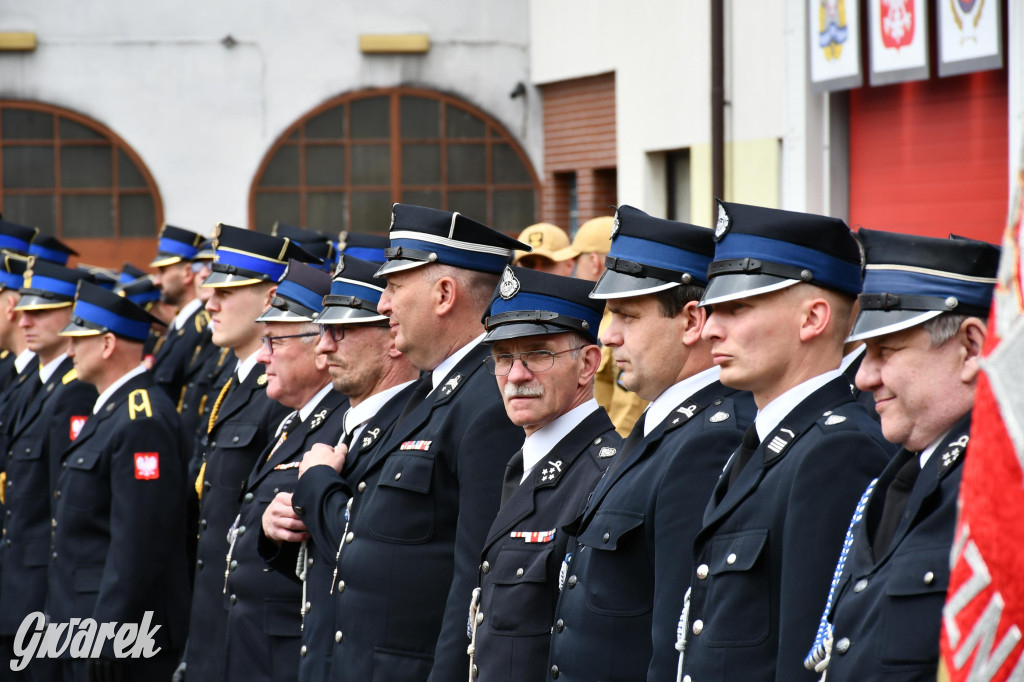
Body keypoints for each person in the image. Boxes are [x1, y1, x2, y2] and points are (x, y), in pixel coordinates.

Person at [292, 204, 529, 681]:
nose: (383, 305)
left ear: (444, 294)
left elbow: (474, 585)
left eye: (395, 287)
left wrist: (316, 485)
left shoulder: (488, 401)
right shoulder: (430, 390)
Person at [679, 201, 894, 682]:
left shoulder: (835, 452)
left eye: (736, 308)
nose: (711, 328)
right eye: (713, 309)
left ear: (813, 318)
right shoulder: (765, 439)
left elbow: (807, 655)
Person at [545, 205, 755, 681]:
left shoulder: (710, 440)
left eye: (626, 315)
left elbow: (678, 640)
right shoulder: (661, 426)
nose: (607, 335)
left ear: (691, 321)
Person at [804, 230, 998, 681]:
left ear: (971, 347)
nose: (865, 377)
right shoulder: (899, 477)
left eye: (885, 351)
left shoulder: (1001, 489)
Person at [266, 253, 418, 682]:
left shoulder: (410, 425)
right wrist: (277, 526)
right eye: (322, 331)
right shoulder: (351, 423)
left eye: (340, 331)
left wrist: (316, 485)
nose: (323, 345)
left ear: (392, 337)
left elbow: (369, 554)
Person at [469, 266, 619, 681]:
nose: (516, 375)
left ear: (588, 364)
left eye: (538, 353)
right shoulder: (522, 464)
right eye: (503, 358)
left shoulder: (604, 475)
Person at [180, 224, 310, 682]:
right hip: (214, 620)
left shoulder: (284, 390)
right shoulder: (233, 379)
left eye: (228, 290)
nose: (209, 302)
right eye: (211, 289)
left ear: (272, 295)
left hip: (254, 633)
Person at [49, 281, 190, 682]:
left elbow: (139, 540)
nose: (70, 349)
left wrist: (110, 632)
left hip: (120, 632)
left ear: (108, 344)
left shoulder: (140, 419)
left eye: (79, 339)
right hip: (82, 620)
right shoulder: (111, 411)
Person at [222, 261, 345, 682]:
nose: (262, 355)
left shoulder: (340, 425)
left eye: (274, 341)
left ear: (320, 343)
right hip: (255, 644)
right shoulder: (294, 420)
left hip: (291, 651)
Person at [0, 259, 97, 681]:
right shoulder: (35, 385)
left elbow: (67, 501)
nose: (26, 320)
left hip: (42, 590)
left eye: (43, 312)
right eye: (26, 310)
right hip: (19, 580)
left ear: (73, 314)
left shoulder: (72, 392)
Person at [555, 214, 647, 437]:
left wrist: (615, 459)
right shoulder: (605, 318)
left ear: (595, 261)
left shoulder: (617, 322)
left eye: (578, 261)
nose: (574, 270)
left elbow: (630, 404)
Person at [149, 224, 208, 402]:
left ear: (188, 272)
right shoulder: (181, 326)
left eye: (163, 270)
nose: (156, 281)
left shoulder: (200, 328)